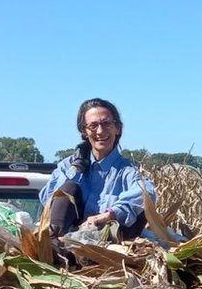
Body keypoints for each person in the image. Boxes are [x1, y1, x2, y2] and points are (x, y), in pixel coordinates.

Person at [39, 98, 155, 240]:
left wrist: (109, 215)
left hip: (108, 245)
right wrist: (76, 169)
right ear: (84, 131)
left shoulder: (128, 171)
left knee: (140, 208)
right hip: (66, 240)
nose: (100, 131)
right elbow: (48, 199)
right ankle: (54, 244)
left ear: (117, 128)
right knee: (68, 188)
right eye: (93, 126)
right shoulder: (67, 166)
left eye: (106, 124)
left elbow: (147, 193)